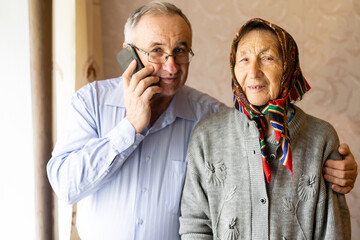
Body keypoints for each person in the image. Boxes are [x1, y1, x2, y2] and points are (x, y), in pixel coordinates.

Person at [46, 2, 356, 240]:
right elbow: (65, 186)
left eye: (180, 50)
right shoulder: (91, 102)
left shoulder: (210, 118)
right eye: (156, 51)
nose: (171, 64)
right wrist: (129, 128)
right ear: (129, 54)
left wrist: (339, 169)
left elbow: (258, 152)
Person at [179, 18, 351, 239]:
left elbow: (334, 231)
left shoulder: (321, 138)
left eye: (267, 58)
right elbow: (195, 225)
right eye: (244, 59)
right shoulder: (206, 135)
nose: (254, 71)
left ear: (288, 65)